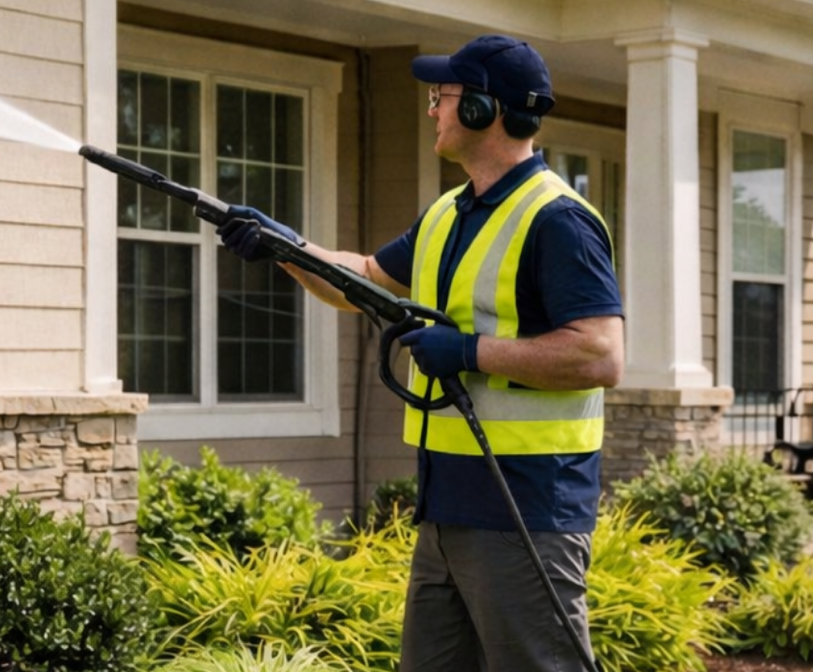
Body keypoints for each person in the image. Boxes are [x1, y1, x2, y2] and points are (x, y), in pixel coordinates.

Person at [215, 35, 625, 672]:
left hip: (527, 510)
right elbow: (363, 280)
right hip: (447, 505)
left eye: (443, 96)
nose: (432, 109)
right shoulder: (449, 214)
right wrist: (286, 247)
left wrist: (468, 350)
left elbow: (599, 356)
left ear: (485, 110)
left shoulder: (557, 220)